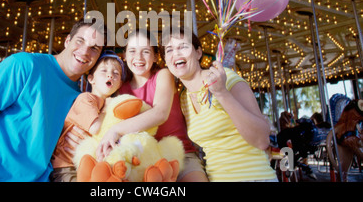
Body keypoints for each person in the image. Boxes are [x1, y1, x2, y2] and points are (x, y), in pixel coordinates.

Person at [0, 18, 106, 182]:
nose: (85, 51)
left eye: (94, 48)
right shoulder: (25, 64)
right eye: (80, 41)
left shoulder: (79, 99)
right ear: (68, 41)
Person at [162, 27, 277, 182]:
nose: (176, 53)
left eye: (183, 46)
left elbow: (262, 140)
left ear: (198, 53)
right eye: (169, 50)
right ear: (166, 61)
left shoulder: (226, 79)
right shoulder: (184, 98)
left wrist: (222, 93)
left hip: (253, 177)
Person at [96, 29, 208, 182]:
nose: (138, 57)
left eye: (146, 52)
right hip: (143, 157)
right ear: (125, 56)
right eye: (133, 51)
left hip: (180, 154)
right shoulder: (121, 89)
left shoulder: (163, 75)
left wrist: (115, 130)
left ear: (155, 56)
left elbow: (160, 113)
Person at [50, 51, 126, 182]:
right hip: (67, 167)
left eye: (116, 73)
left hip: (89, 166)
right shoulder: (86, 99)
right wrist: (107, 109)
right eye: (104, 70)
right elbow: (96, 128)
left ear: (119, 84)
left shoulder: (109, 105)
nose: (110, 75)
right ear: (91, 79)